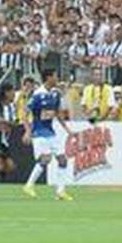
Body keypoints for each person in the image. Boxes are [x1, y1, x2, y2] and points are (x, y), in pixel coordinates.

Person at [23, 70, 74, 201]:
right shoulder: (38, 94)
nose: (57, 78)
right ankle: (29, 185)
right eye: (55, 76)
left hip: (50, 132)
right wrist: (28, 131)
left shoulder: (55, 94)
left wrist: (67, 129)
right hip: (39, 132)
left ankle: (60, 191)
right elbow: (25, 114)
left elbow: (58, 113)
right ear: (48, 77)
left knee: (63, 160)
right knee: (45, 159)